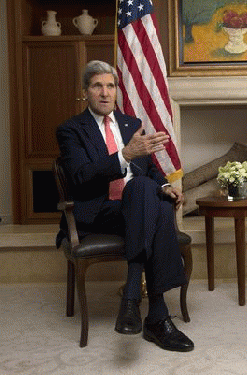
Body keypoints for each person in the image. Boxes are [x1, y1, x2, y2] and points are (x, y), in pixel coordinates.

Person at [56, 60, 194, 352]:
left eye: (110, 86)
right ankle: (157, 314)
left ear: (117, 91)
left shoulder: (132, 124)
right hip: (99, 210)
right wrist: (125, 154)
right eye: (97, 86)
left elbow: (152, 170)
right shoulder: (71, 130)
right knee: (153, 204)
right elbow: (81, 177)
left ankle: (135, 301)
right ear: (85, 92)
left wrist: (166, 186)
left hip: (136, 207)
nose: (105, 93)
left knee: (147, 187)